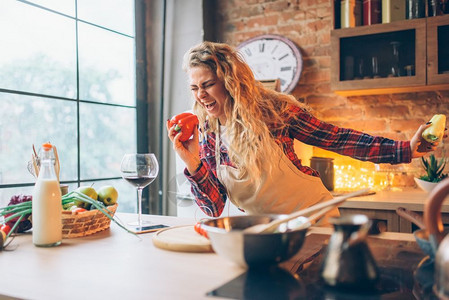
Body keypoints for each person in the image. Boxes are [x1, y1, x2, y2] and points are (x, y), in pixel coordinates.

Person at [167, 41, 440, 219]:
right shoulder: (208, 131)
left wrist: (403, 149)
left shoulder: (274, 111)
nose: (200, 95)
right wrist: (191, 162)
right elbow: (213, 206)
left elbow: (337, 138)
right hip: (265, 230)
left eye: (208, 84)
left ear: (231, 82)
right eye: (195, 87)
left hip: (313, 216)